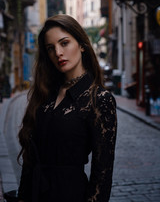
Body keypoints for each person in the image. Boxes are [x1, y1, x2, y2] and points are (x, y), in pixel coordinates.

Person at [17, 14, 117, 202]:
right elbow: (30, 161)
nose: (58, 53)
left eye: (64, 43)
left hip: (70, 194)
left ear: (81, 44)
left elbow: (102, 174)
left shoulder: (99, 99)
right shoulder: (45, 93)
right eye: (50, 48)